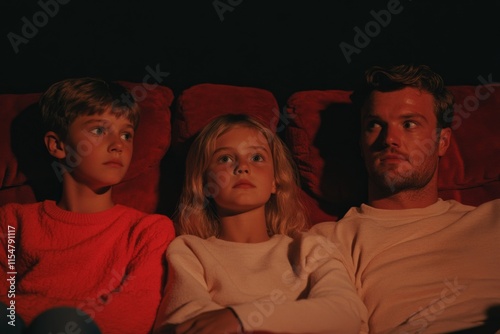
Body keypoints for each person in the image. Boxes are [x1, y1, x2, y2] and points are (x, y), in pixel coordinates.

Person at [310, 64, 500, 333]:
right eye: (374, 125)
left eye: (409, 124)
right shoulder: (331, 241)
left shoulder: (494, 218)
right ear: (361, 145)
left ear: (442, 141)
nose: (389, 140)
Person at [153, 114, 367, 334]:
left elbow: (346, 313)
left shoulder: (310, 248)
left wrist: (241, 318)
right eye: (225, 158)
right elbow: (183, 322)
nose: (242, 167)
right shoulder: (190, 251)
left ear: (275, 181)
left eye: (256, 157)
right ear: (204, 182)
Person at [0, 78, 176, 334]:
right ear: (58, 145)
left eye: (126, 134)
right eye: (99, 130)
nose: (118, 145)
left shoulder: (148, 230)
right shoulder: (13, 221)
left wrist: (55, 319)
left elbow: (135, 315)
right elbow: (5, 303)